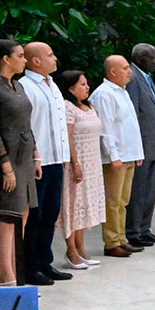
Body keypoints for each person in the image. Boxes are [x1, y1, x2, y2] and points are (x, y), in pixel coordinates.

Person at [0, 40, 38, 285]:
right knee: (6, 218)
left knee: (22, 215)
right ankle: (6, 276)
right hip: (7, 159)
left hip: (24, 157)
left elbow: (27, 122)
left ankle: (16, 269)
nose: (24, 60)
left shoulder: (18, 87)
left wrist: (35, 155)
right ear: (6, 58)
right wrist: (4, 164)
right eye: (21, 56)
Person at [19, 41, 72, 283]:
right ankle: (30, 267)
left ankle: (45, 262)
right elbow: (26, 125)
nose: (55, 59)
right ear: (36, 60)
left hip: (56, 158)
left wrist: (65, 155)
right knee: (36, 216)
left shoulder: (53, 86)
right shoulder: (25, 86)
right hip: (39, 161)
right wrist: (34, 155)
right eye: (50, 55)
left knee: (51, 215)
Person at [89, 55, 144, 258]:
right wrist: (113, 156)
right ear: (112, 71)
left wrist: (138, 152)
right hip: (116, 157)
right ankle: (112, 241)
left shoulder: (123, 92)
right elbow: (106, 128)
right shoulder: (104, 94)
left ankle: (121, 238)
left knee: (123, 200)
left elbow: (131, 125)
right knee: (113, 201)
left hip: (128, 154)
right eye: (124, 68)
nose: (129, 72)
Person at [57, 70, 105, 270]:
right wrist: (75, 162)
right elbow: (68, 136)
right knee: (73, 204)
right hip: (77, 163)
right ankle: (71, 250)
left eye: (87, 84)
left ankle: (81, 247)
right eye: (82, 84)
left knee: (86, 204)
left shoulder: (88, 106)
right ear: (70, 88)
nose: (87, 88)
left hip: (93, 162)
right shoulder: (68, 107)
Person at [124, 43, 155, 250]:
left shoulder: (147, 78)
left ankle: (145, 228)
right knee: (138, 191)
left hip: (153, 144)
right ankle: (133, 231)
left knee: (150, 190)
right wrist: (136, 145)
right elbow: (132, 115)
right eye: (152, 57)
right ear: (140, 58)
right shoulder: (132, 77)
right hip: (141, 145)